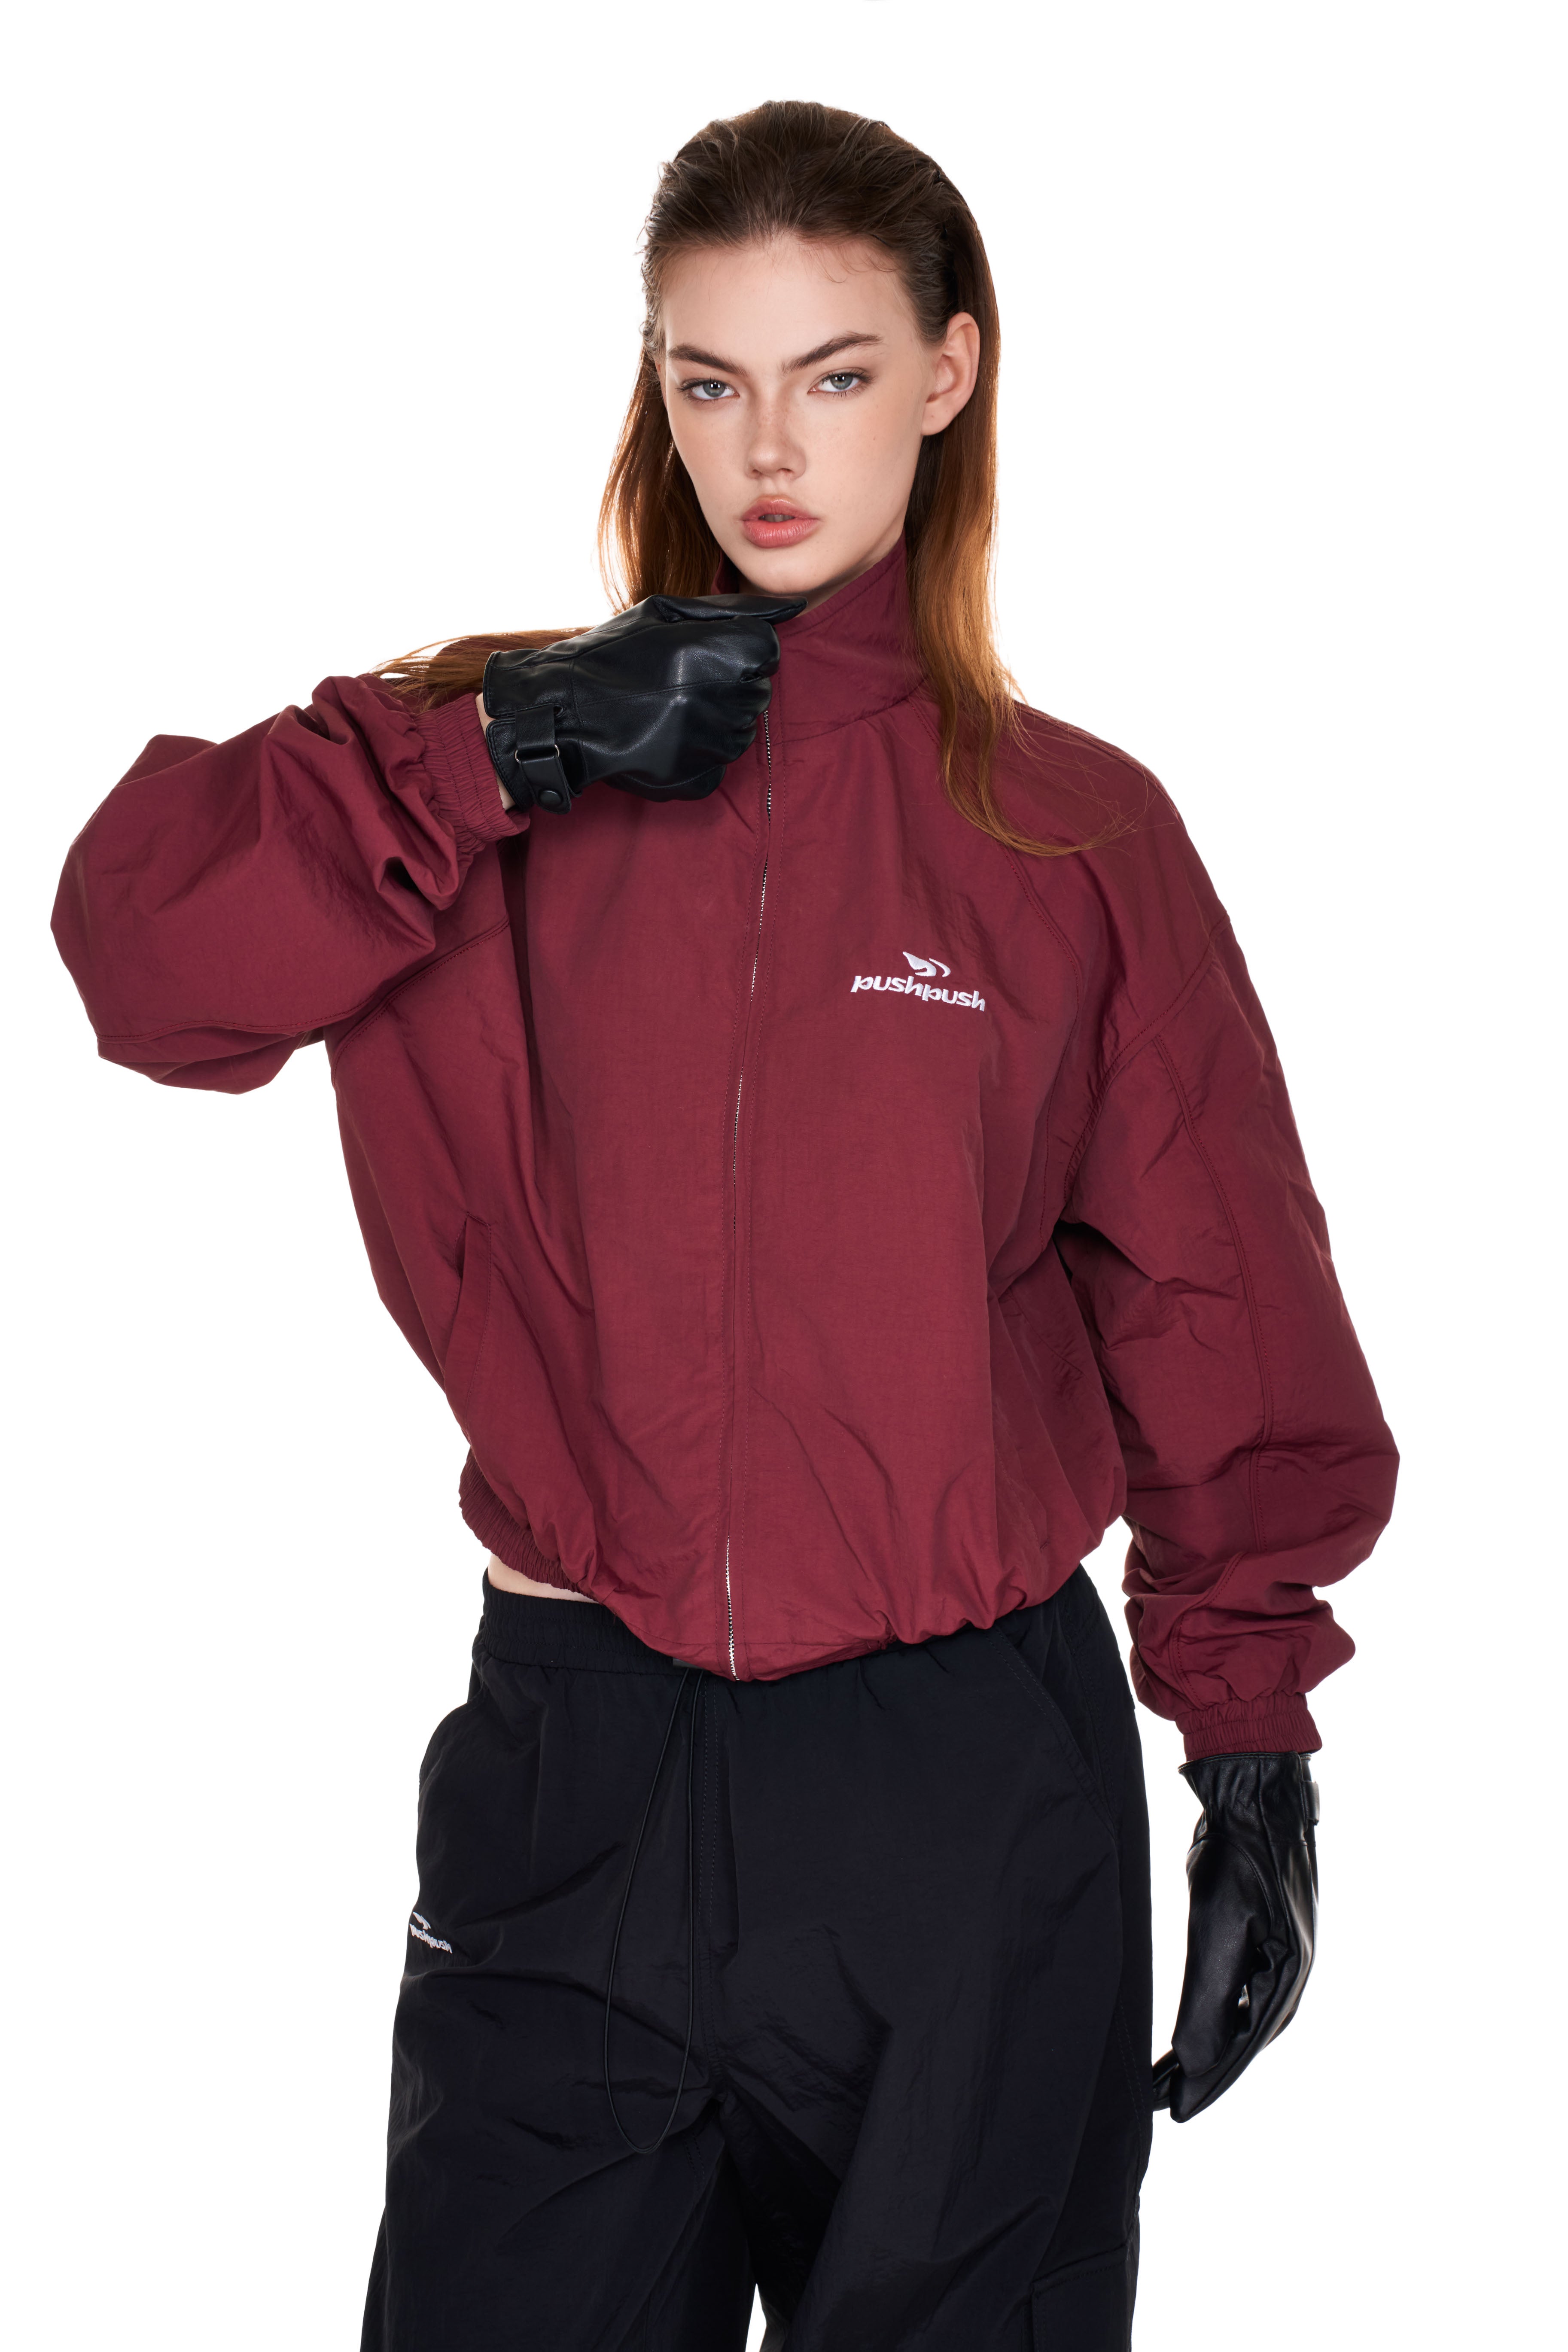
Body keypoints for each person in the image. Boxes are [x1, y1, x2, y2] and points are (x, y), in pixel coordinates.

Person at [52, 98, 1397, 2352]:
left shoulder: (1068, 834)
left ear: (949, 374)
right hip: (581, 1765)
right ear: (654, 386)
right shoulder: (466, 778)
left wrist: (1249, 1738)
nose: (767, 446)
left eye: (833, 373)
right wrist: (498, 751)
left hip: (965, 1795)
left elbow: (1217, 1299)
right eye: (710, 378)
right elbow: (143, 962)